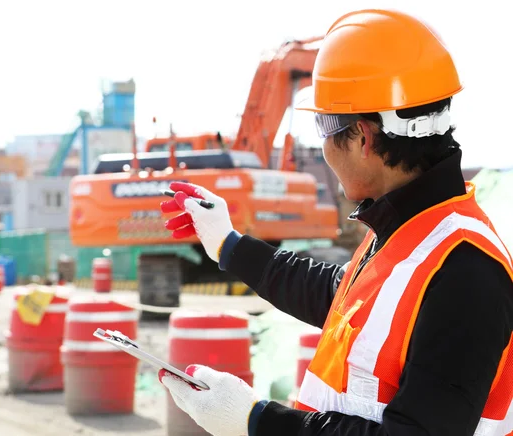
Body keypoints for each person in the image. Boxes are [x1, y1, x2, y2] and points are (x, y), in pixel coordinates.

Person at [157, 8, 513, 436]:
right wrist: (228, 244)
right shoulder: (408, 231)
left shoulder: (466, 272)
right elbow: (343, 300)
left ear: (363, 136)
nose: (323, 146)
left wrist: (259, 422)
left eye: (324, 125)